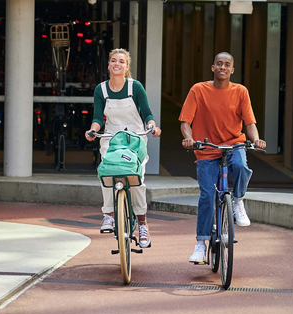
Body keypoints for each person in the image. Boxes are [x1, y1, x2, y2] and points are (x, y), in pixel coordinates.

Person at [179, 52, 266, 263]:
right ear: (212, 67)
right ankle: (201, 243)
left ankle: (237, 200)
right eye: (219, 64)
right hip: (206, 147)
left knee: (241, 166)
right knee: (207, 196)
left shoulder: (240, 91)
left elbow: (250, 123)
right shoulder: (198, 90)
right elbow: (185, 122)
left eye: (227, 65)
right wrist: (189, 139)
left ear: (232, 70)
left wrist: (256, 140)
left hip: (233, 145)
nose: (223, 67)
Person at [85, 48, 162, 248]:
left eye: (121, 61)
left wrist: (152, 126)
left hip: (135, 138)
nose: (116, 64)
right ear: (109, 65)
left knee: (137, 180)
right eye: (113, 60)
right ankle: (109, 215)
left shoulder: (135, 87)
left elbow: (147, 113)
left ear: (127, 67)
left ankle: (143, 224)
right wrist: (92, 131)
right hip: (111, 137)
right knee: (106, 173)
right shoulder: (100, 90)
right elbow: (97, 118)